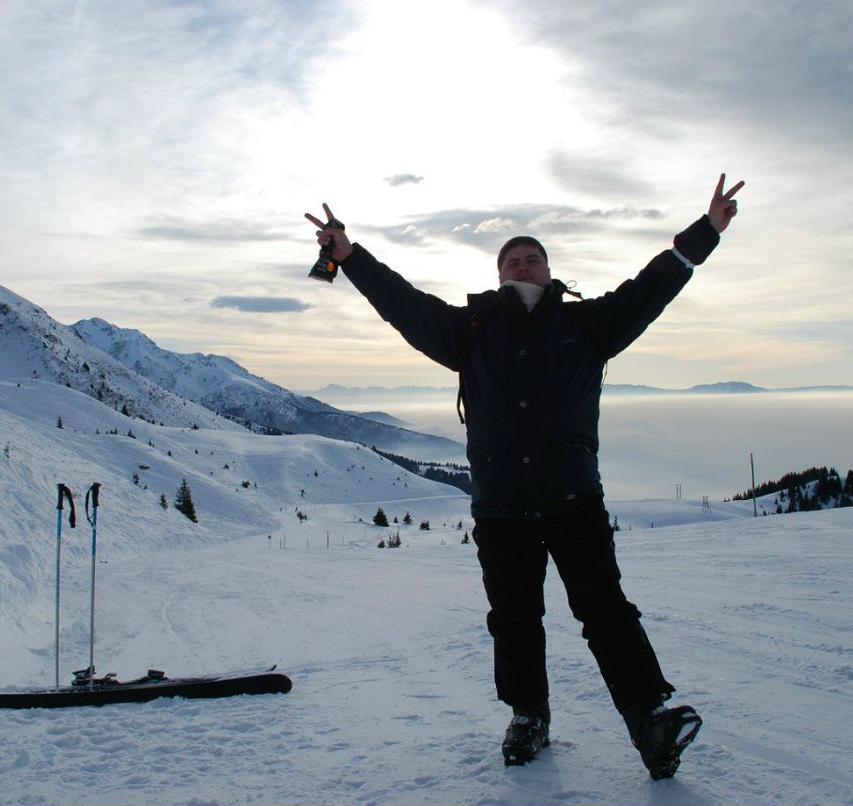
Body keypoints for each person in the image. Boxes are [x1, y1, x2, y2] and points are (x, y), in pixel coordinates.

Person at [305, 174, 743, 779]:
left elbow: (651, 287)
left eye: (532, 258)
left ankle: (650, 721)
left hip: (574, 498)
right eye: (512, 260)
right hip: (502, 506)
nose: (523, 265)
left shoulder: (591, 323)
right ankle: (528, 716)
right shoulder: (469, 329)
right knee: (514, 619)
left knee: (607, 613)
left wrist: (706, 231)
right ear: (500, 275)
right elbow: (403, 303)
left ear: (548, 270)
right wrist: (349, 256)